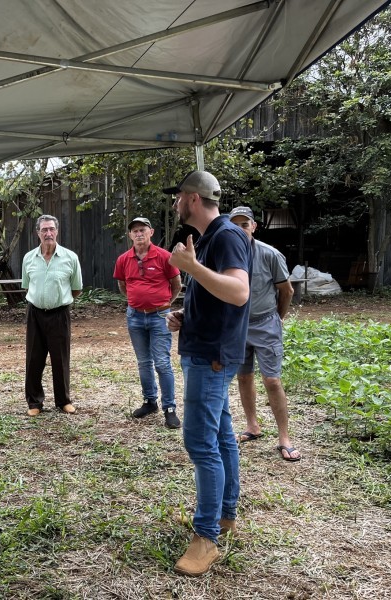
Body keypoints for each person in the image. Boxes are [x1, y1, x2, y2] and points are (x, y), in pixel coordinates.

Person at [164, 171, 253, 576]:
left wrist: (192, 267)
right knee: (220, 435)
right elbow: (219, 297)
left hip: (211, 357)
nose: (175, 203)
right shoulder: (209, 237)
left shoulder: (226, 235)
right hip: (207, 349)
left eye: (179, 196)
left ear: (194, 199)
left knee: (201, 443)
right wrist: (188, 314)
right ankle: (224, 515)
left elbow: (238, 292)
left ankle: (206, 538)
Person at [228, 206, 300, 462]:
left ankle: (284, 438)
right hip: (237, 325)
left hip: (265, 322)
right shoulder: (226, 254)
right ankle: (252, 426)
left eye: (244, 225)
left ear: (253, 226)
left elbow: (287, 290)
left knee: (272, 380)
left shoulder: (270, 254)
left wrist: (278, 318)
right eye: (234, 225)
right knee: (244, 376)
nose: (240, 229)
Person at [114, 217, 182, 428]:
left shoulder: (164, 256)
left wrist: (164, 304)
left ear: (151, 232)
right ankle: (149, 401)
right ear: (130, 235)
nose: (139, 234)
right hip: (134, 317)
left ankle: (169, 408)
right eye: (135, 231)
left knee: (162, 362)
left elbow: (176, 284)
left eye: (142, 230)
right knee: (143, 362)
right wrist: (136, 301)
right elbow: (122, 285)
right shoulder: (123, 259)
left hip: (159, 316)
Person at [21, 214, 83, 416]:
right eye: (44, 230)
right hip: (35, 314)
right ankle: (34, 403)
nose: (48, 233)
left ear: (57, 231)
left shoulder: (70, 258)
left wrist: (58, 299)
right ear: (37, 233)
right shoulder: (29, 258)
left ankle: (63, 400)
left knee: (60, 358)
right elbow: (27, 286)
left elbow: (76, 289)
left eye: (51, 229)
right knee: (34, 358)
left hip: (59, 314)